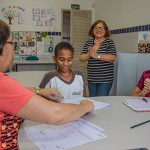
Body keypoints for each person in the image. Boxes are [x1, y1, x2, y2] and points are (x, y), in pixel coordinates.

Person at [0, 20, 94, 149]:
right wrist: (85, 106)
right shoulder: (3, 83)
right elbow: (56, 114)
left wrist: (39, 91)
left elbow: (12, 94)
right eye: (12, 44)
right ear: (2, 47)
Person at [79, 20, 117, 97]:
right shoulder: (89, 43)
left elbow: (113, 57)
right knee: (92, 100)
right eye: (96, 28)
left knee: (101, 100)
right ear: (92, 30)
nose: (98, 30)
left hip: (105, 79)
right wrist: (91, 54)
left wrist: (97, 56)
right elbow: (81, 58)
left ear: (105, 30)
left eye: (101, 28)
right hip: (92, 78)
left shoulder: (109, 42)